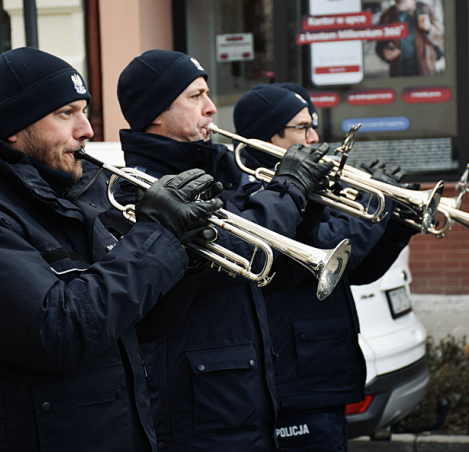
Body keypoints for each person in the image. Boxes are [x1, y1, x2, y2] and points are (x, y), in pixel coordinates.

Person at [0, 47, 223, 452]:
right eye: (66, 113)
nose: (87, 129)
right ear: (13, 126)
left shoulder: (66, 204)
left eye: (84, 111)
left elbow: (137, 324)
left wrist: (185, 253)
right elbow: (59, 331)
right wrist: (155, 236)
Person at [114, 49, 334, 451]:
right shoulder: (141, 188)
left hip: (242, 395)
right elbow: (244, 245)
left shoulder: (216, 168)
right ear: (156, 113)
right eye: (196, 97)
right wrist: (291, 188)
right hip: (197, 407)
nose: (212, 108)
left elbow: (273, 273)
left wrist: (311, 201)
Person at [232, 83, 419, 452]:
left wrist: (398, 225)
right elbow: (321, 250)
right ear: (269, 135)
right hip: (296, 379)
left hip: (325, 371)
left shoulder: (316, 187)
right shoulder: (254, 193)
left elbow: (355, 269)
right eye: (303, 127)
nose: (315, 137)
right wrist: (373, 211)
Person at [375, 0, 445, 77]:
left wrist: (429, 29)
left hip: (426, 71)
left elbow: (441, 38)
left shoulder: (426, 8)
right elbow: (379, 47)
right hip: (399, 74)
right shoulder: (387, 16)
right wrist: (386, 54)